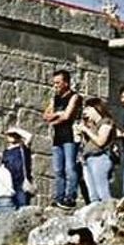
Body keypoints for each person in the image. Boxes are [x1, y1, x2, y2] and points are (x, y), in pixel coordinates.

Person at [42, 69, 83, 208]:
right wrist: (58, 115)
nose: (55, 86)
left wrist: (57, 115)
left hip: (70, 136)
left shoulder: (75, 97)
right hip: (58, 137)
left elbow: (67, 116)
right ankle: (59, 196)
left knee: (70, 168)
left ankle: (70, 197)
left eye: (58, 83)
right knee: (58, 169)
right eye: (54, 83)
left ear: (66, 83)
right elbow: (46, 115)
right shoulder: (55, 98)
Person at [72, 98, 116, 203]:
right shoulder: (92, 125)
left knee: (102, 192)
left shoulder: (106, 122)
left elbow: (101, 141)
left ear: (95, 108)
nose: (85, 112)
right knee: (93, 194)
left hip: (100, 158)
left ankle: (108, 214)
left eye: (88, 108)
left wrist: (87, 130)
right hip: (88, 159)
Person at [0, 128, 34, 208]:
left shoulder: (23, 148)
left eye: (13, 134)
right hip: (9, 182)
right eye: (9, 135)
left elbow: (29, 136)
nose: (11, 136)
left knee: (22, 205)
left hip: (21, 182)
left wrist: (16, 130)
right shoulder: (6, 151)